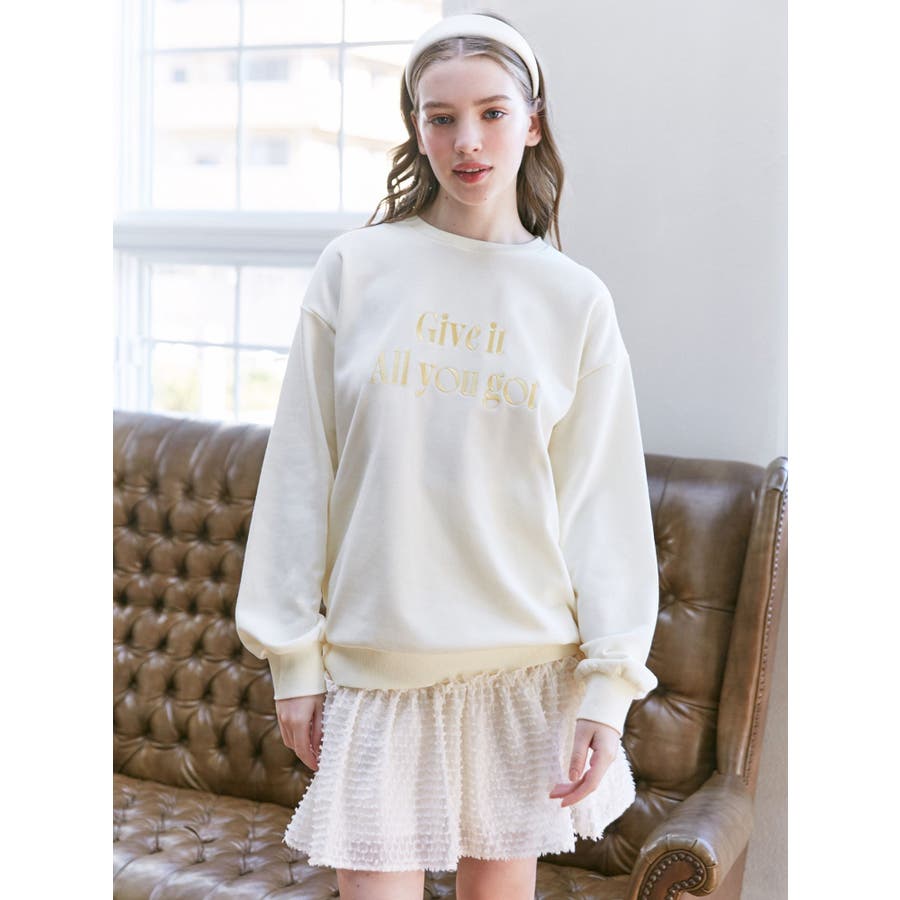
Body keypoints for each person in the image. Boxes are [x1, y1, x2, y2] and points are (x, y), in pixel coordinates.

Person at [234, 11, 660, 900]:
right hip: (378, 674)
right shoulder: (354, 269)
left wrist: (607, 691)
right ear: (417, 128)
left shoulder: (574, 300)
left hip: (525, 676)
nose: (468, 141)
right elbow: (300, 476)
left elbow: (604, 510)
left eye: (493, 113)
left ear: (532, 122)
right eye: (442, 117)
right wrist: (293, 661)